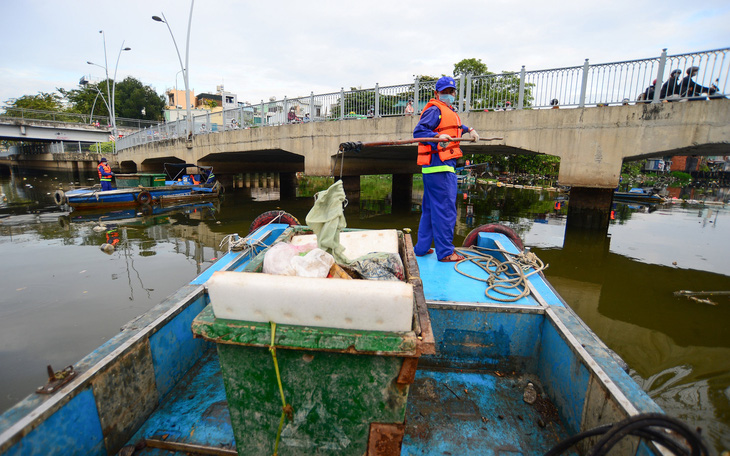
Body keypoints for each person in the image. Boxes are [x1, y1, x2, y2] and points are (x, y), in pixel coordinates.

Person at [413, 76, 479, 262]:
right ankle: (446, 252)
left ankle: (422, 248)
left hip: (434, 169)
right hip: (440, 168)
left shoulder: (446, 110)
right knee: (446, 210)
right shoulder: (435, 109)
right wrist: (437, 135)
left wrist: (469, 129)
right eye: (445, 92)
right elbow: (419, 132)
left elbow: (456, 126)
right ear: (437, 93)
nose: (449, 95)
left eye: (451, 92)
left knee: (430, 210)